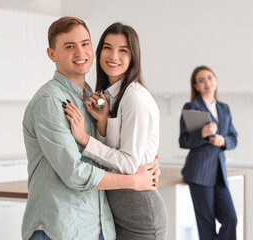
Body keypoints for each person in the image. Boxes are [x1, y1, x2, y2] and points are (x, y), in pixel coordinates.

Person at [22, 17, 160, 240]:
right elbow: (74, 172)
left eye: (85, 44)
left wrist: (145, 161)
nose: (81, 52)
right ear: (52, 54)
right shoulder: (49, 101)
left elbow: (108, 155)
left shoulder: (93, 99)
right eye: (70, 46)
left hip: (98, 225)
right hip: (60, 229)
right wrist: (134, 179)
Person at [62, 22, 168, 240]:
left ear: (133, 57)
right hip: (118, 210)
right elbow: (116, 153)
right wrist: (102, 124)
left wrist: (84, 138)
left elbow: (129, 164)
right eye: (108, 48)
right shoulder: (108, 97)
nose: (113, 56)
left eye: (123, 50)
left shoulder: (135, 98)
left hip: (140, 214)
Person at [179, 65, 238, 240]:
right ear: (196, 86)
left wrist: (223, 141)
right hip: (199, 172)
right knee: (207, 226)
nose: (207, 83)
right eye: (201, 80)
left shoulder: (224, 108)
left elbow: (234, 138)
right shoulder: (192, 107)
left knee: (231, 219)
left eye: (210, 78)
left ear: (216, 81)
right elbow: (183, 141)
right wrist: (202, 135)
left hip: (219, 174)